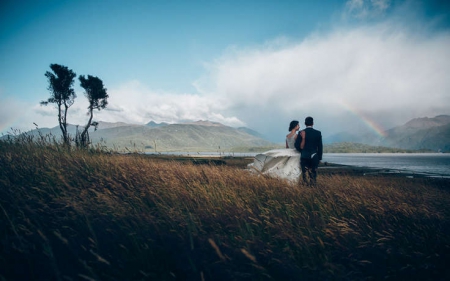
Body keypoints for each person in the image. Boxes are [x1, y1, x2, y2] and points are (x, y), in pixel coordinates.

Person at [299, 116, 323, 185]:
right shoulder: (318, 133)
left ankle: (305, 188)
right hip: (314, 156)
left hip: (304, 156)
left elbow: (298, 146)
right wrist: (319, 158)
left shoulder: (301, 132)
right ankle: (313, 187)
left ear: (304, 123)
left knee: (305, 174)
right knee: (313, 174)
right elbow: (320, 146)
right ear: (313, 123)